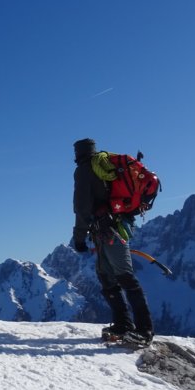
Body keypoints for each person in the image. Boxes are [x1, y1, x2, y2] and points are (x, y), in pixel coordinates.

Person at [71, 137, 153, 345]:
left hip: (110, 230)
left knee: (124, 276)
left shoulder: (84, 170)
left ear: (78, 153)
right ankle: (123, 324)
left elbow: (82, 208)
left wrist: (79, 238)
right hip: (113, 227)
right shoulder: (105, 165)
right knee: (106, 275)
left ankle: (144, 330)